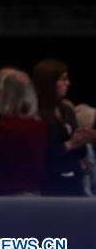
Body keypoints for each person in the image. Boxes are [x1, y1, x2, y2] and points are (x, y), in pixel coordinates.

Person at [0, 70, 48, 195]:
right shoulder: (40, 126)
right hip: (32, 195)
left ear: (6, 96)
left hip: (7, 198)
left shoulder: (7, 128)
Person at [32, 59, 96, 196]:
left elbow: (80, 153)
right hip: (49, 184)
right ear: (49, 82)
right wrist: (70, 144)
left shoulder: (67, 110)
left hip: (74, 179)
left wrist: (82, 139)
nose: (68, 83)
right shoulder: (34, 113)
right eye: (63, 79)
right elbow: (38, 155)